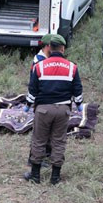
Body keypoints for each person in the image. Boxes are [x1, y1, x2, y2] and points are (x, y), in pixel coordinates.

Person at [24, 35, 83, 185]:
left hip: (43, 109)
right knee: (59, 141)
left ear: (49, 48)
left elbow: (32, 90)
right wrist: (79, 104)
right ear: (63, 48)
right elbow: (77, 89)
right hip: (63, 110)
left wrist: (28, 105)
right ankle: (55, 177)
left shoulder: (39, 66)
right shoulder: (72, 67)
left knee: (39, 140)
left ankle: (35, 175)